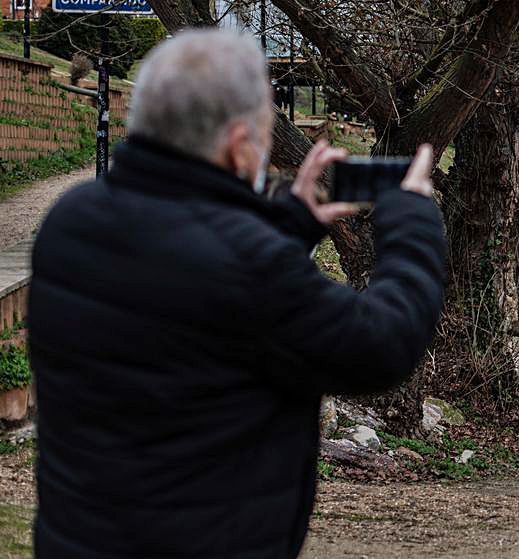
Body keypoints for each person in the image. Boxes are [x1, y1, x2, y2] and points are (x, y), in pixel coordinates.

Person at [26, 29, 447, 557]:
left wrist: (288, 223)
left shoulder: (72, 220)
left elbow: (190, 297)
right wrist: (413, 220)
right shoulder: (249, 269)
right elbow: (383, 344)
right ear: (237, 143)